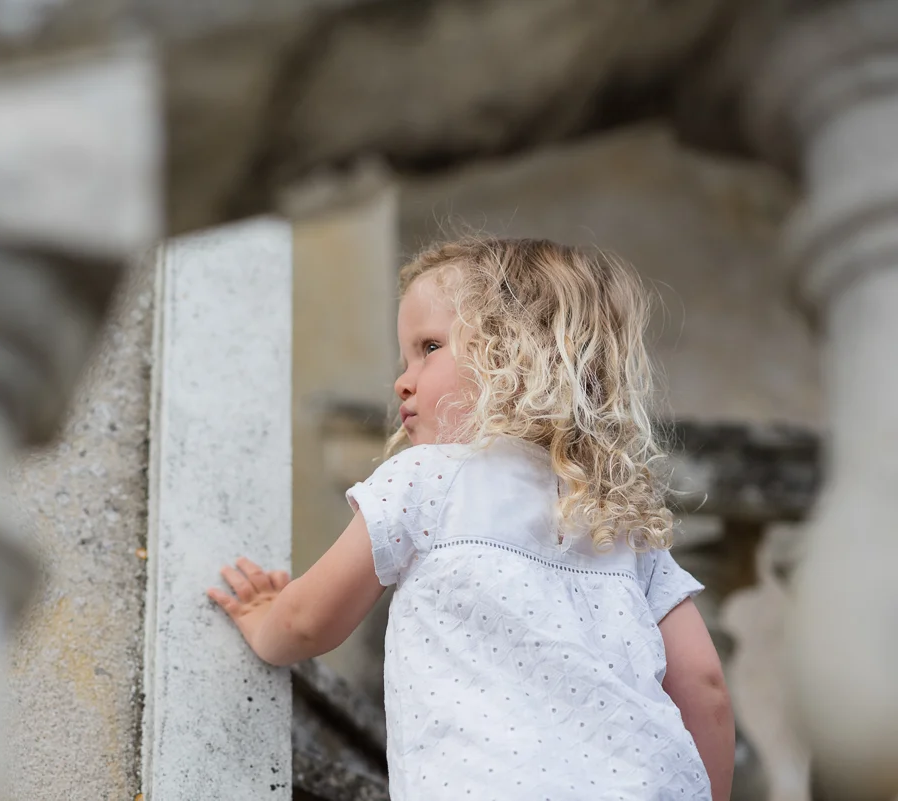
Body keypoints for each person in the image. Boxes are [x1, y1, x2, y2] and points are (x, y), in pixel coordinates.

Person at [208, 238, 734, 800]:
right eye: (405, 359)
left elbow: (309, 621)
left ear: (516, 354)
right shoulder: (619, 522)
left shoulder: (428, 478)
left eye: (429, 348)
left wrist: (263, 621)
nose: (402, 380)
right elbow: (706, 690)